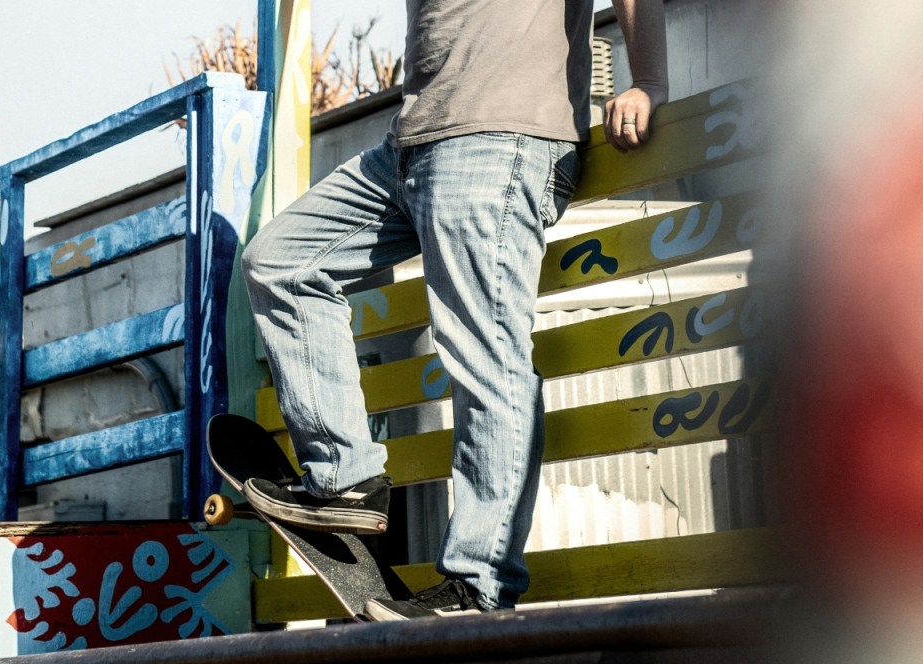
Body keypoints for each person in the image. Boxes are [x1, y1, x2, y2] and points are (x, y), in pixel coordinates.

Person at [239, 0, 668, 620]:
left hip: (498, 140)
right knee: (281, 261)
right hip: (409, 147)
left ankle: (479, 583)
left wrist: (648, 80)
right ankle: (345, 480)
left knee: (484, 355)